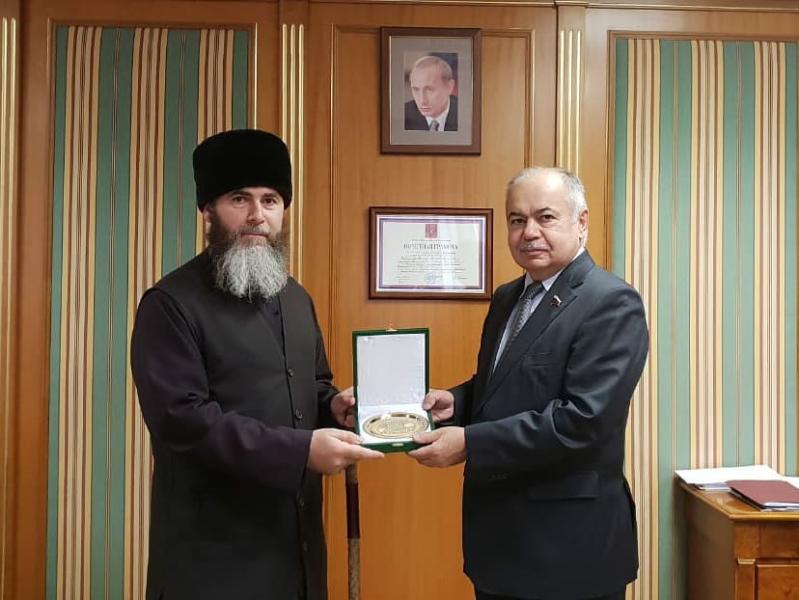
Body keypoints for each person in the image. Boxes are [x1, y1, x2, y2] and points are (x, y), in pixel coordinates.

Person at [130, 129, 382, 600]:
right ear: (208, 210)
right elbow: (183, 421)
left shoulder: (296, 297)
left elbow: (313, 387)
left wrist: (336, 408)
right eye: (239, 199)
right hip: (212, 565)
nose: (256, 216)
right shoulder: (170, 304)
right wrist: (301, 452)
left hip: (298, 557)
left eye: (270, 200)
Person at [409, 167, 649, 600]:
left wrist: (470, 442)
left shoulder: (610, 301)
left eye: (546, 217)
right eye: (517, 220)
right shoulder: (508, 297)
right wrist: (458, 401)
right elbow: (506, 383)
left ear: (581, 222)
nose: (529, 232)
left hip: (569, 552)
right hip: (499, 545)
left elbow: (583, 421)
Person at [404, 55, 458, 132]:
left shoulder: (466, 113)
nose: (422, 101)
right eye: (416, 90)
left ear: (449, 87)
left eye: (429, 90)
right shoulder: (403, 115)